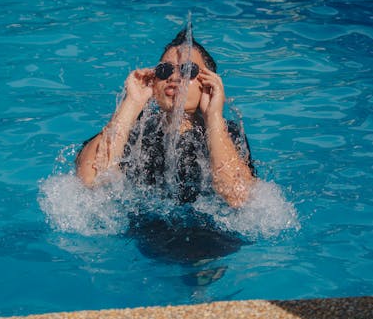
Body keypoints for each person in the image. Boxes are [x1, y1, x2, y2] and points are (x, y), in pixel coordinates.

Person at [76, 28, 255, 208]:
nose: (174, 77)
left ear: (209, 83)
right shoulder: (136, 133)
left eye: (188, 70)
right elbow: (90, 181)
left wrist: (213, 116)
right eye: (164, 70)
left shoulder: (226, 134)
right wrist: (131, 105)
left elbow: (238, 196)